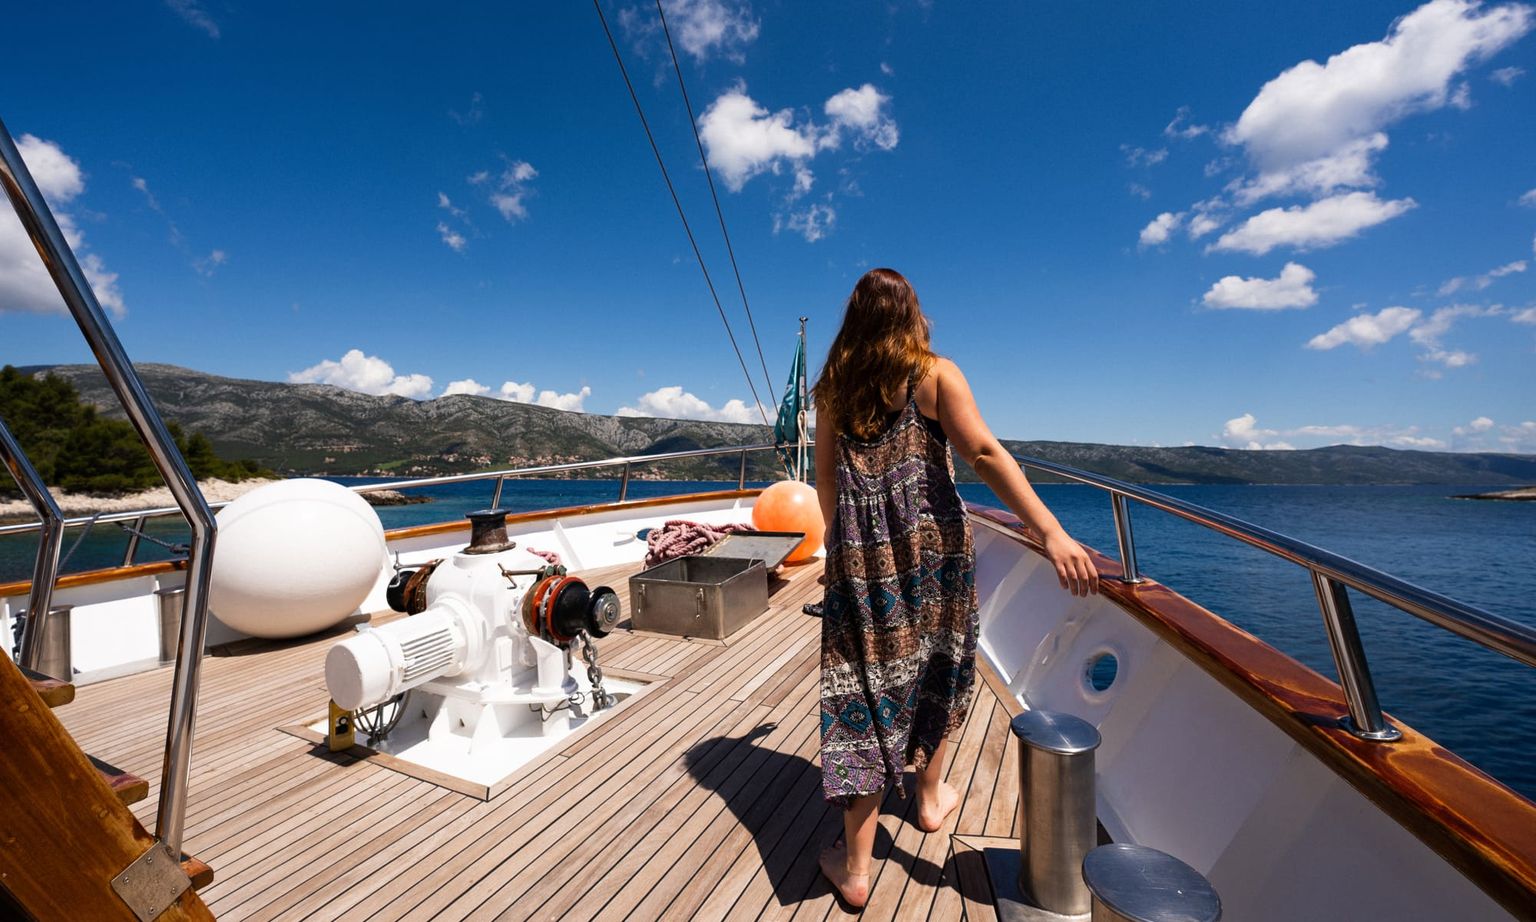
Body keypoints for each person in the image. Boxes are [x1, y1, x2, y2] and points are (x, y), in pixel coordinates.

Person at [812, 267, 1099, 908]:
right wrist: (1051, 532)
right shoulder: (934, 375)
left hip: (862, 565)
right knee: (940, 668)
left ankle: (855, 868)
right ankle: (932, 798)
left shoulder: (831, 389)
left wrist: (839, 548)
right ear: (912, 313)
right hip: (936, 557)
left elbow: (825, 482)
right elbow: (987, 456)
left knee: (864, 693)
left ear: (853, 318)